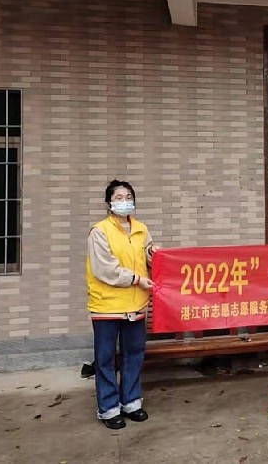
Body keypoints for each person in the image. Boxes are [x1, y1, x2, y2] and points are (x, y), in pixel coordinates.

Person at [86, 179, 159, 429]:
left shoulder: (141, 229)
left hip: (136, 304)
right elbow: (105, 269)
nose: (124, 201)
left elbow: (147, 258)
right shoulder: (99, 231)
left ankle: (131, 402)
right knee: (105, 358)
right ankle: (108, 408)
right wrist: (136, 279)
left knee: (134, 354)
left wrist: (153, 254)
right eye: (118, 197)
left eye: (128, 197)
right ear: (108, 203)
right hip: (107, 305)